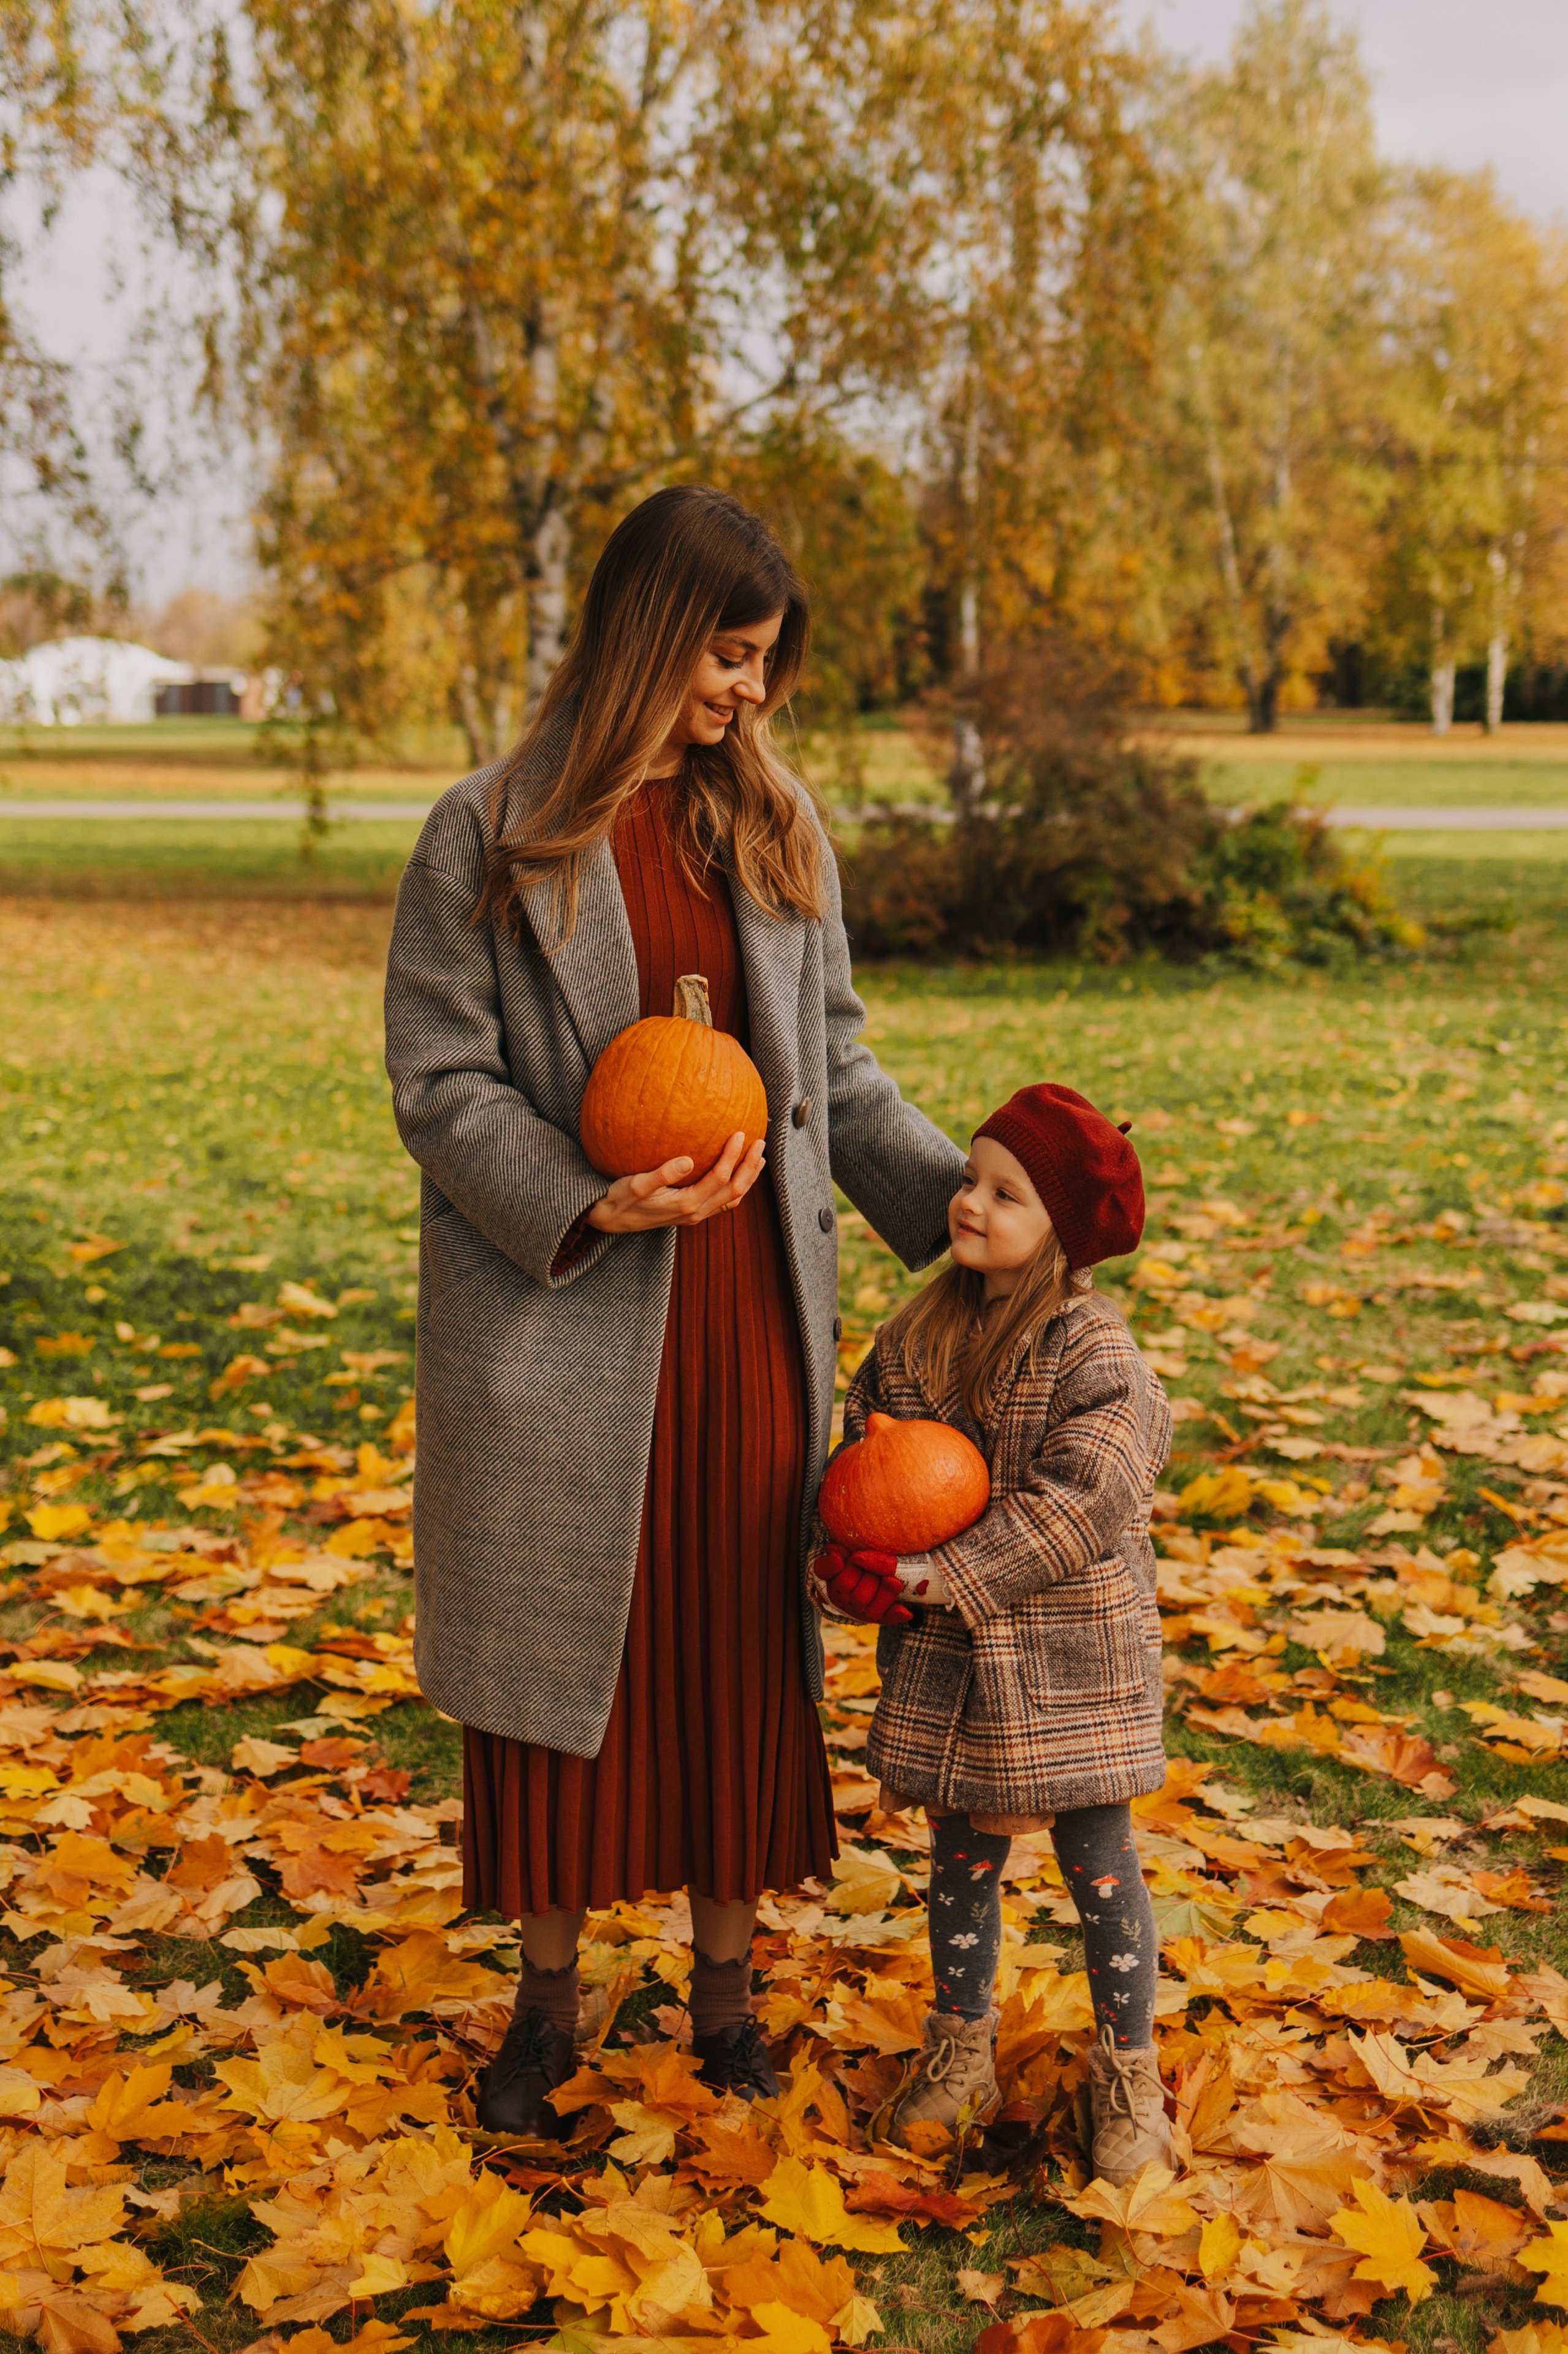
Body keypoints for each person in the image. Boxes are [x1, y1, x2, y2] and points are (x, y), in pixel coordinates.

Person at [384, 485, 964, 2137]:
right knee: (566, 1658)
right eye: (726, 656)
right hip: (565, 1310)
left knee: (728, 1649)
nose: (747, 694)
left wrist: (970, 1211)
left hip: (743, 1318)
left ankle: (725, 2000)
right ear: (650, 637)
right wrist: (582, 1194)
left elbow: (834, 1068)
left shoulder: (771, 829)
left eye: (763, 664)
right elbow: (439, 1083)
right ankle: (547, 2004)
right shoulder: (486, 836)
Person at [811, 1084, 1173, 2183]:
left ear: (1062, 1232)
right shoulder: (912, 1339)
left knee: (1096, 1862)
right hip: (953, 1665)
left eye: (1005, 1194)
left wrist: (934, 1575)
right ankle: (961, 2048)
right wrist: (847, 1576)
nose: (969, 1203)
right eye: (969, 1179)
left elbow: (1080, 1506)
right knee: (959, 1858)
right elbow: (857, 1478)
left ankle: (1127, 2069)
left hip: (1071, 1660)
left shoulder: (1094, 1355)